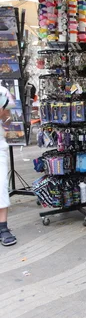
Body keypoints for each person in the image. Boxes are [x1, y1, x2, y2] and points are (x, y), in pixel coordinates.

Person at [0, 85, 16, 246]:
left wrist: (4, 115)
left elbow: (8, 120)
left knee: (1, 186)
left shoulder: (2, 91)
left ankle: (3, 227)